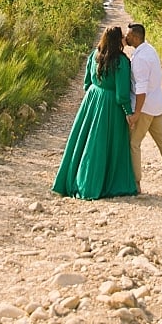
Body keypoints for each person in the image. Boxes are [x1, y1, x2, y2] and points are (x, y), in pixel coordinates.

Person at [52, 26, 140, 200]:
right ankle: (98, 183)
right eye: (122, 37)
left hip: (92, 99)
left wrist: (93, 96)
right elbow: (121, 94)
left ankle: (76, 179)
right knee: (103, 145)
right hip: (109, 105)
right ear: (118, 40)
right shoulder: (121, 61)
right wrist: (129, 113)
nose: (124, 39)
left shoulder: (95, 55)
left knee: (85, 142)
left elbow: (86, 83)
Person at [126, 23, 162, 194]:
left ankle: (136, 183)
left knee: (134, 144)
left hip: (145, 107)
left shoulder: (140, 58)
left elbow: (141, 90)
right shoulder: (150, 50)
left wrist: (136, 113)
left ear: (135, 37)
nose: (126, 38)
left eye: (128, 35)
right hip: (156, 105)